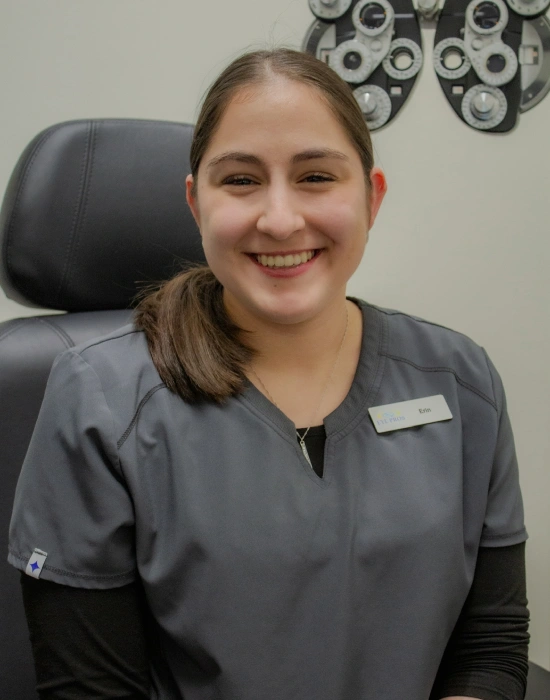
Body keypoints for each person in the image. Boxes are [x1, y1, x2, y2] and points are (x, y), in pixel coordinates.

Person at [8, 48, 529, 700]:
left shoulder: (461, 381)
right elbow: (91, 690)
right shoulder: (100, 401)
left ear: (372, 197)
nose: (280, 219)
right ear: (197, 204)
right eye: (242, 180)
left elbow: (491, 644)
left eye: (316, 176)